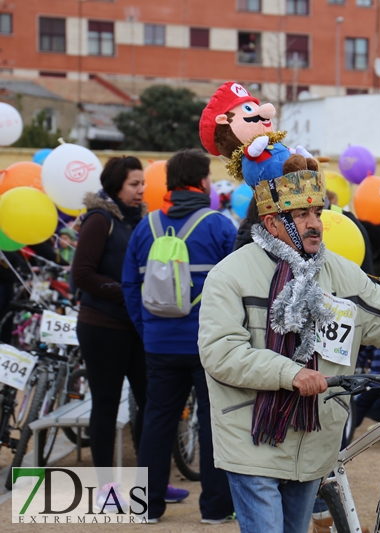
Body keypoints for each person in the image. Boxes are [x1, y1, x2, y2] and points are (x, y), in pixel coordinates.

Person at [197, 150, 380, 533]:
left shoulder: (338, 271)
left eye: (317, 213)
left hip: (314, 436)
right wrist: (291, 373)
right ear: (272, 222)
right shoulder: (231, 274)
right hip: (251, 435)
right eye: (301, 215)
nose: (314, 223)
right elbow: (221, 352)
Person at [122, 149, 237, 524]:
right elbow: (239, 284)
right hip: (207, 344)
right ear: (203, 182)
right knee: (212, 422)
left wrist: (147, 330)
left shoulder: (146, 226)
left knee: (157, 421)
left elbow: (129, 285)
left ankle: (148, 506)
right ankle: (215, 508)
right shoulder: (218, 225)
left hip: (158, 343)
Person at [72, 156, 149, 501]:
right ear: (116, 185)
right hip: (101, 326)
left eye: (142, 183)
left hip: (136, 326)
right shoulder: (99, 219)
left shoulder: (140, 221)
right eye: (134, 184)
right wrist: (128, 293)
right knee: (105, 404)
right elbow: (82, 275)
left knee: (151, 402)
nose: (141, 190)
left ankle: (150, 484)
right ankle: (105, 488)